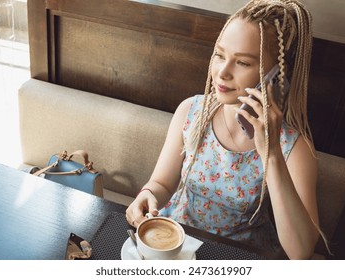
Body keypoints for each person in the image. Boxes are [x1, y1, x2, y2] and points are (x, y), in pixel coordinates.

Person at [126, 0, 324, 259]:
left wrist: (271, 151)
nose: (223, 72)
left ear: (275, 75)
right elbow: (162, 183)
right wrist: (147, 194)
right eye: (220, 55)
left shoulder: (294, 148)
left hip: (237, 256)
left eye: (242, 62)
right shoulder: (191, 111)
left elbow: (301, 252)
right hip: (175, 243)